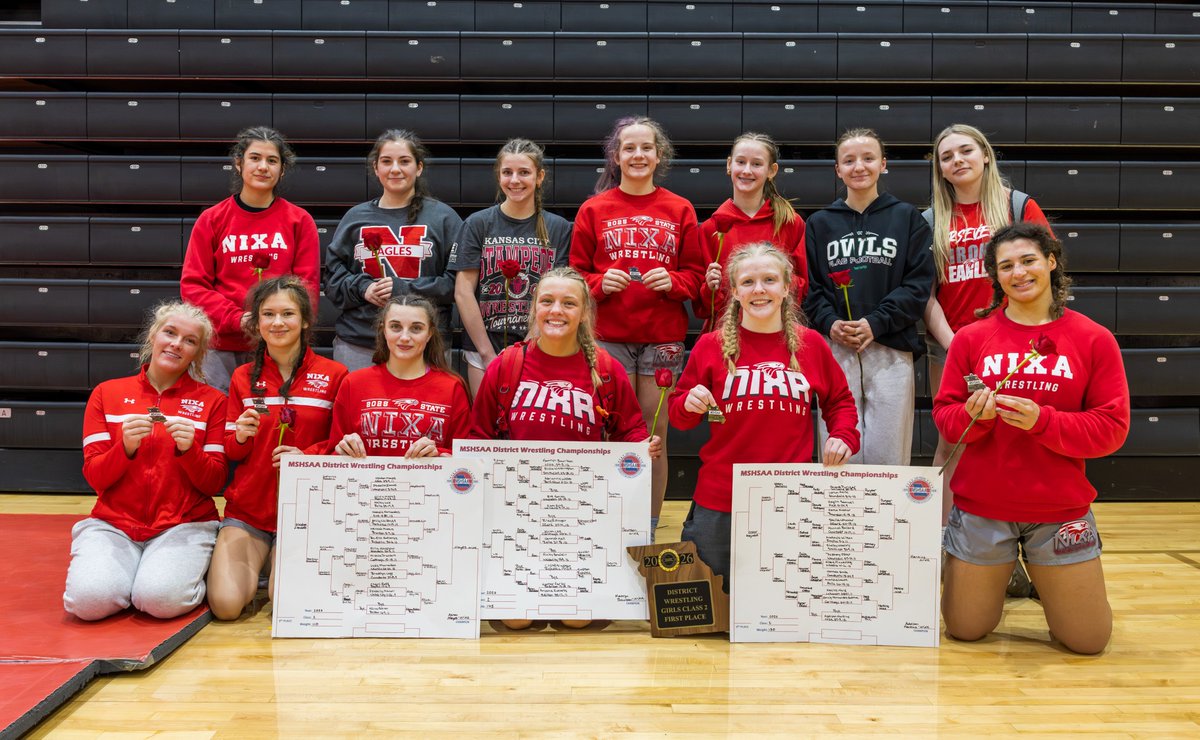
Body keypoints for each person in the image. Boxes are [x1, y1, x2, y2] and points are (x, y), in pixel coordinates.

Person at [933, 222, 1129, 655]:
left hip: (1058, 509)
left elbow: (1111, 429)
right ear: (995, 276)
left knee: (1088, 642)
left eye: (1028, 261)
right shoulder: (971, 338)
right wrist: (973, 416)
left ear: (1051, 262)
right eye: (1006, 266)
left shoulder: (1094, 338)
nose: (1019, 273)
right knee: (965, 630)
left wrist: (1043, 421)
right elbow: (946, 421)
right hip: (982, 509)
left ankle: (1042, 575)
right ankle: (1010, 573)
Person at [471, 267, 663, 629]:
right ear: (534, 309)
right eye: (547, 301)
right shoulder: (507, 364)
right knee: (516, 621)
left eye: (568, 303)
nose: (556, 310)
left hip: (581, 512)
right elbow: (479, 435)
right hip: (519, 511)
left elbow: (630, 430)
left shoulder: (606, 368)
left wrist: (641, 447)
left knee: (576, 621)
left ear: (585, 313)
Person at [669, 243, 859, 589]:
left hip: (788, 497)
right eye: (748, 282)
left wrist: (843, 436)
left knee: (781, 604)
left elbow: (840, 402)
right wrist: (688, 404)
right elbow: (680, 418)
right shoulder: (710, 346)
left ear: (787, 288)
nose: (759, 290)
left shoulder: (811, 344)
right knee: (710, 610)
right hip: (720, 496)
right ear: (735, 291)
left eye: (770, 280)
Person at [569, 116, 704, 542]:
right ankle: (609, 525)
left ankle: (646, 531)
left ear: (658, 155)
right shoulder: (594, 209)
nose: (638, 155)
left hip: (662, 337)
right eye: (630, 148)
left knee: (652, 436)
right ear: (616, 155)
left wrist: (676, 282)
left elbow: (697, 276)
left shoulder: (679, 208)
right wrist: (597, 284)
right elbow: (574, 275)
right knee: (610, 431)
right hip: (608, 336)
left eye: (647, 148)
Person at [65, 302, 227, 621]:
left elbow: (214, 483)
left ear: (198, 352)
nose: (177, 344)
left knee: (160, 601)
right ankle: (125, 574)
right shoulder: (106, 394)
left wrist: (189, 450)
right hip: (114, 524)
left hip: (185, 524)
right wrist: (124, 448)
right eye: (170, 332)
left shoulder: (214, 402)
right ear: (153, 335)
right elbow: (96, 478)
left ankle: (159, 575)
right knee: (87, 604)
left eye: (190, 340)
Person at [925, 124, 1054, 525]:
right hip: (949, 347)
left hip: (1013, 345)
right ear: (940, 170)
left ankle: (1019, 541)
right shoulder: (929, 219)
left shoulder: (1018, 206)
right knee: (953, 443)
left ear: (985, 155)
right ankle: (941, 545)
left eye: (965, 151)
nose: (957, 160)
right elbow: (924, 295)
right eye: (947, 156)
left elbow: (1045, 271)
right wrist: (954, 342)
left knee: (1017, 441)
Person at [207, 277, 348, 621]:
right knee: (226, 607)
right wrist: (239, 437)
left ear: (305, 320)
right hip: (250, 513)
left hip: (307, 514)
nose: (278, 322)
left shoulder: (336, 374)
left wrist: (307, 459)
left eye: (288, 313)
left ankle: (277, 565)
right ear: (256, 323)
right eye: (268, 314)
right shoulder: (242, 376)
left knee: (283, 602)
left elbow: (343, 447)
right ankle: (269, 558)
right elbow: (230, 452)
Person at [803, 128, 934, 465]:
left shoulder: (908, 218)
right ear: (838, 169)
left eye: (868, 158)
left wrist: (875, 323)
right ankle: (836, 519)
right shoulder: (819, 223)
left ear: (883, 164)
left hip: (891, 346)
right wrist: (831, 324)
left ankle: (887, 520)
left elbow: (918, 285)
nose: (858, 166)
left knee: (888, 454)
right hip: (836, 348)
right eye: (849, 160)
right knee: (836, 448)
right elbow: (812, 289)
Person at [181, 126, 320, 393]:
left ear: (282, 169)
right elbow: (193, 286)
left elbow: (306, 287)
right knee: (217, 425)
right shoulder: (211, 219)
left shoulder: (299, 221)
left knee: (273, 425)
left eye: (272, 160)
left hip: (278, 346)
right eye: (255, 158)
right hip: (220, 348)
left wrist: (271, 321)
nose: (263, 167)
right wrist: (238, 319)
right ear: (238, 163)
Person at [324, 129, 463, 373]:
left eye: (404, 161)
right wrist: (363, 288)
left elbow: (457, 284)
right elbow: (333, 282)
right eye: (386, 161)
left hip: (426, 345)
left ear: (418, 168)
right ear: (376, 168)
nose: (395, 169)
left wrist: (402, 289)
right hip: (360, 343)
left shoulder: (444, 218)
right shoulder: (355, 218)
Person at [452, 138, 572, 395]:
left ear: (539, 177)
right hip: (485, 347)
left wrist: (527, 349)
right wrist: (486, 355)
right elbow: (463, 292)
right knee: (488, 432)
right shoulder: (477, 223)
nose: (515, 180)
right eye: (507, 172)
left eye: (524, 172)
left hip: (541, 346)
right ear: (499, 176)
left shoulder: (559, 228)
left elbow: (558, 296)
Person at [330, 295, 470, 458]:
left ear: (430, 333)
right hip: (367, 482)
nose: (405, 337)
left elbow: (464, 459)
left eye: (416, 328)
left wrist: (440, 454)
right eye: (395, 327)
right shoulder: (353, 383)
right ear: (383, 330)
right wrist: (343, 449)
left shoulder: (452, 387)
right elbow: (333, 451)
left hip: (428, 483)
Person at [696, 132, 807, 333]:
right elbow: (702, 307)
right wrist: (710, 288)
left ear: (772, 170)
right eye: (740, 162)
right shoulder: (711, 228)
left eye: (756, 164)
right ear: (729, 165)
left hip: (776, 333)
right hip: (725, 336)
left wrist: (786, 279)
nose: (747, 170)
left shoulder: (790, 223)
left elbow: (803, 290)